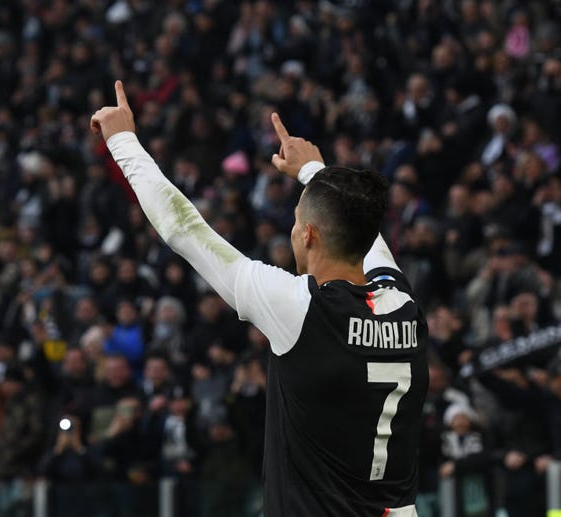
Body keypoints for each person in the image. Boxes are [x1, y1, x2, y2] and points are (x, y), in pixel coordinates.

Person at [90, 81, 428, 516]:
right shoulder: (403, 305)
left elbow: (186, 230)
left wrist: (123, 140)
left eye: (295, 222)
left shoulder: (302, 309)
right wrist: (315, 173)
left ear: (308, 234)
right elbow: (370, 241)